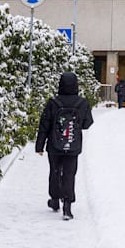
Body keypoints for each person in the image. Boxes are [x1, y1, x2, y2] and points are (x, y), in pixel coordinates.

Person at [36, 71, 94, 220]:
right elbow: (87, 124)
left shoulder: (53, 102)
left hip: (54, 145)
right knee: (69, 174)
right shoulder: (82, 103)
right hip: (73, 145)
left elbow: (44, 125)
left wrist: (40, 146)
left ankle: (55, 201)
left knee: (54, 172)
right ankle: (67, 206)